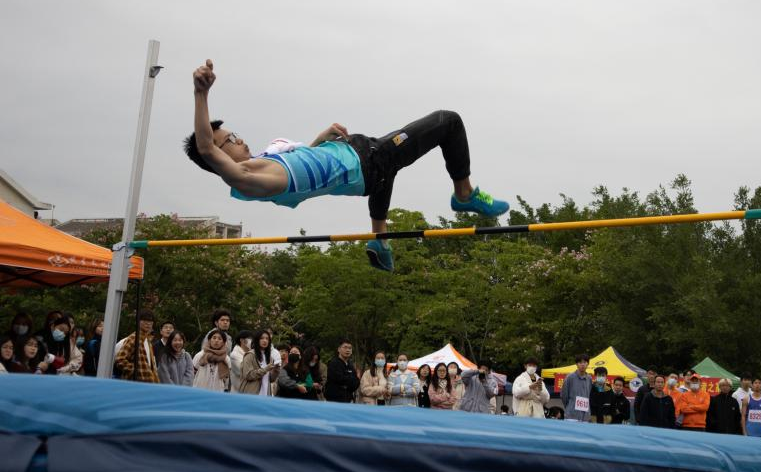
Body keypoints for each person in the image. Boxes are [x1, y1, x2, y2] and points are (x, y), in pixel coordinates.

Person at [185, 59, 510, 272]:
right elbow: (205, 147)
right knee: (448, 121)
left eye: (234, 134)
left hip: (364, 166)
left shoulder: (266, 165)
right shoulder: (246, 179)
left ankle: (380, 240)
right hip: (369, 160)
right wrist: (201, 94)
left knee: (386, 174)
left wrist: (320, 139)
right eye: (230, 141)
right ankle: (464, 194)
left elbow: (305, 170)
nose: (239, 140)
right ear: (218, 158)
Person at [114, 309, 160, 383]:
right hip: (135, 383)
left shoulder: (147, 340)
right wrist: (135, 372)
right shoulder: (134, 338)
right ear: (138, 321)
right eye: (144, 320)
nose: (148, 323)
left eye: (150, 321)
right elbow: (120, 360)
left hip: (147, 383)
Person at [324, 339, 359, 403]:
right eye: (345, 347)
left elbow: (356, 382)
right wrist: (350, 379)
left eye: (350, 348)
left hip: (348, 399)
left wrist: (349, 381)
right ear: (339, 349)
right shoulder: (333, 363)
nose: (348, 350)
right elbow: (339, 379)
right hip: (334, 400)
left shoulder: (351, 365)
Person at [560, 354, 594, 422]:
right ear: (576, 364)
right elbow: (564, 395)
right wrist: (570, 406)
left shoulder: (589, 378)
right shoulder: (570, 377)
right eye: (580, 362)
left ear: (588, 364)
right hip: (571, 415)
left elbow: (589, 395)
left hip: (585, 416)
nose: (582, 364)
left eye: (585, 362)